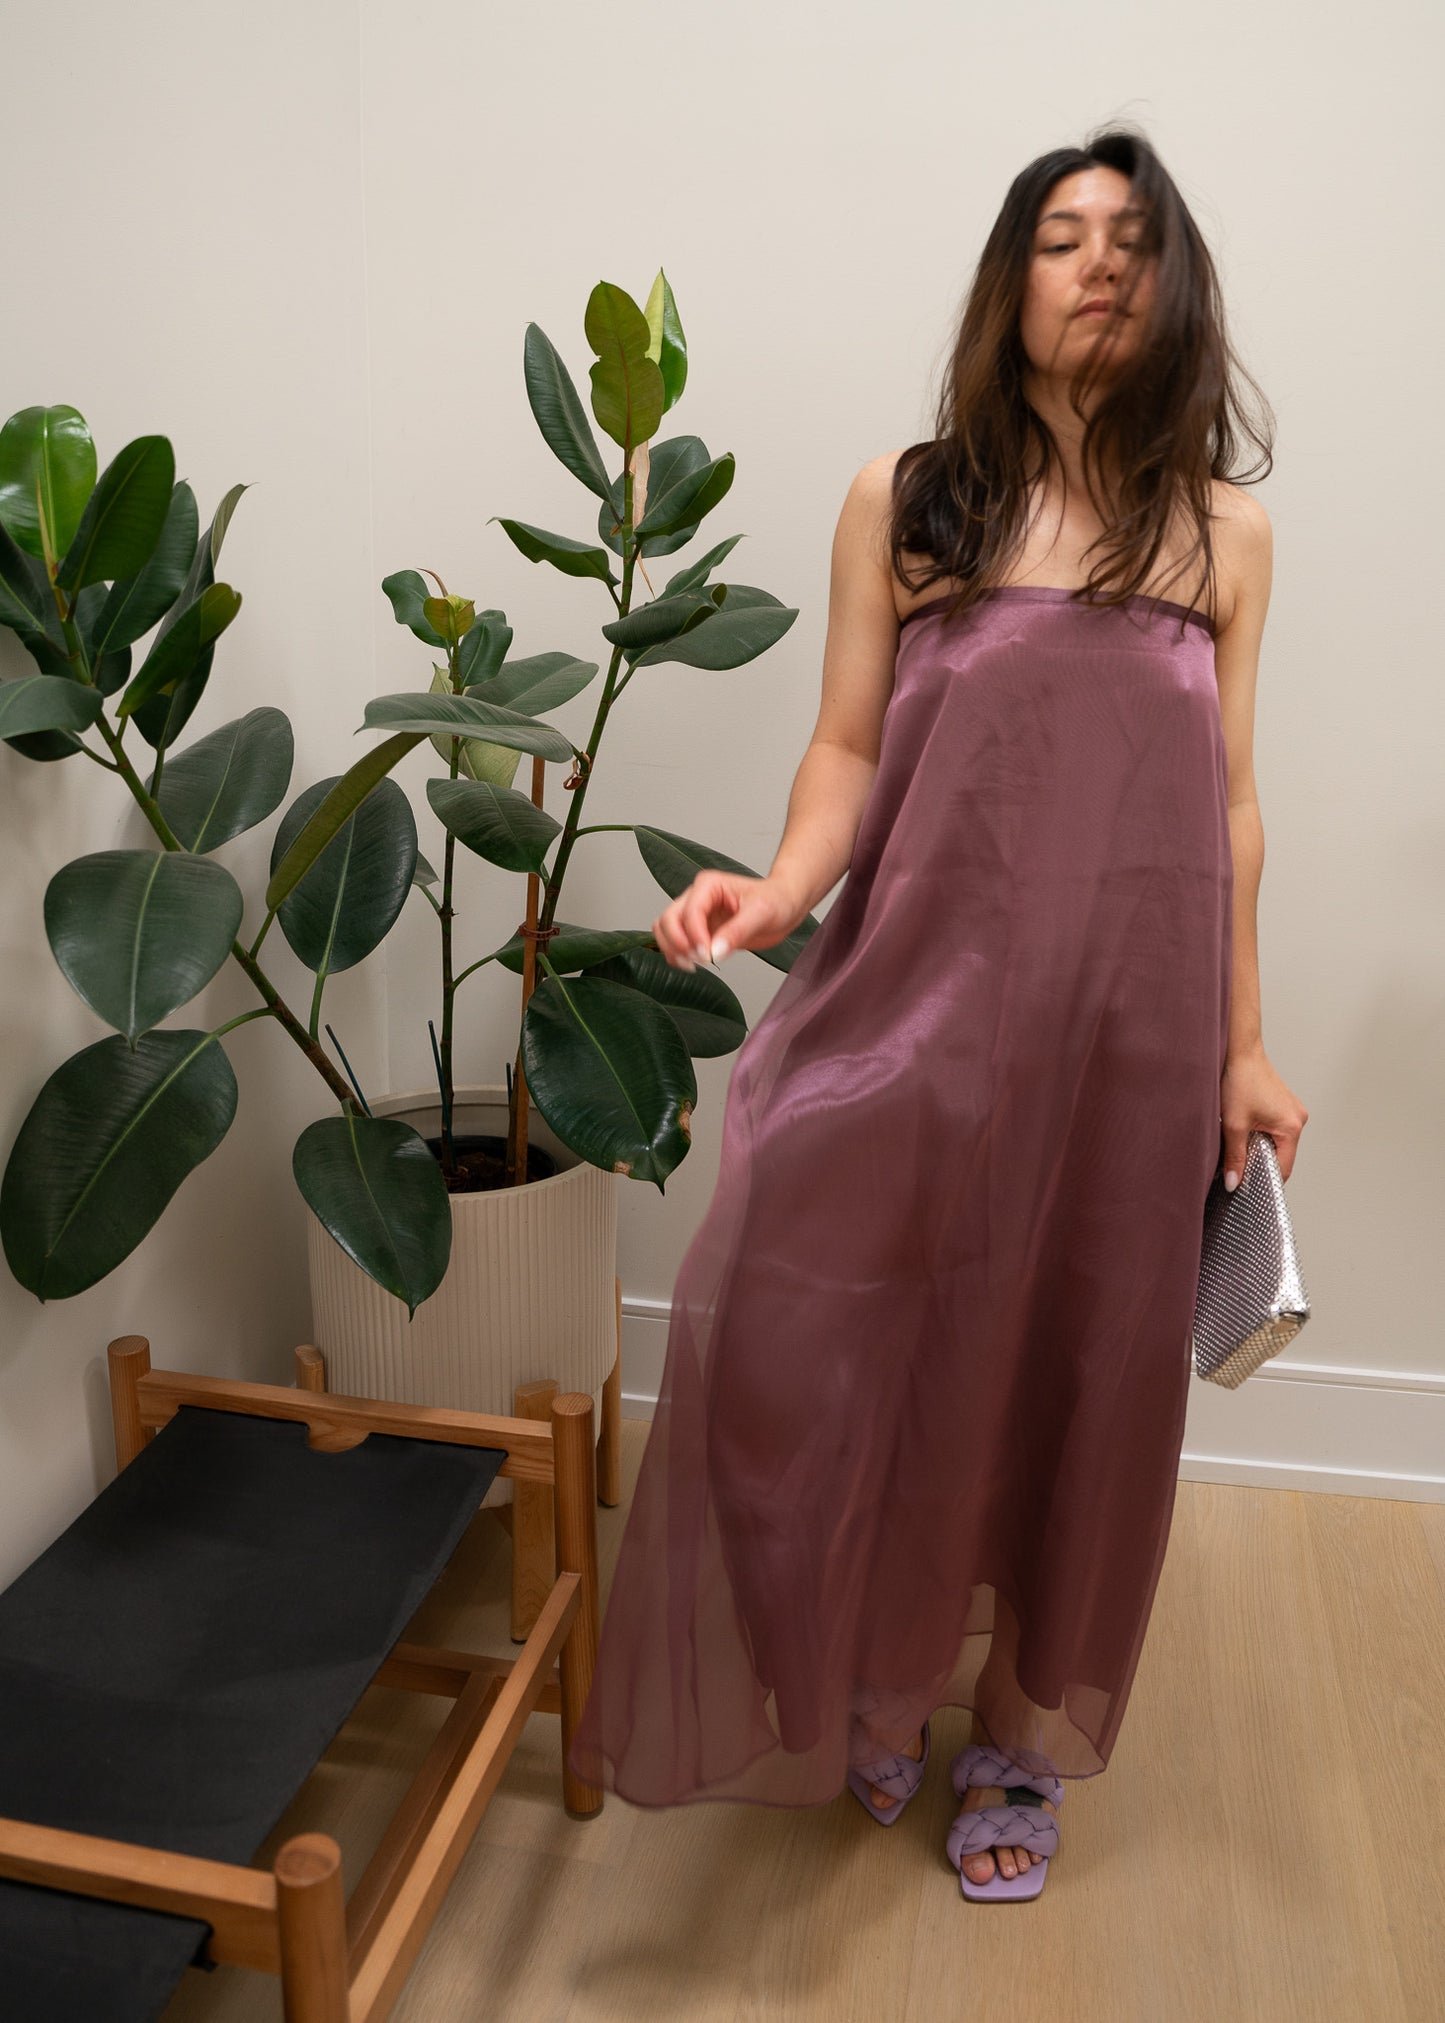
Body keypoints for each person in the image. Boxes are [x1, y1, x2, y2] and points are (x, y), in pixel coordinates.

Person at [566, 125, 1309, 1903]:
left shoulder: (1222, 534)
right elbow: (843, 744)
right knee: (867, 1349)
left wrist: (1238, 1045)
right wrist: (778, 885)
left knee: (1077, 1379)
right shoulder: (909, 499)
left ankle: (1014, 1742)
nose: (1100, 265)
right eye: (1061, 237)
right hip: (928, 1006)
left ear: (1177, 286)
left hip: (1127, 1050)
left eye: (1133, 240)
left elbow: (1226, 806)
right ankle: (879, 1678)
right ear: (1010, 280)